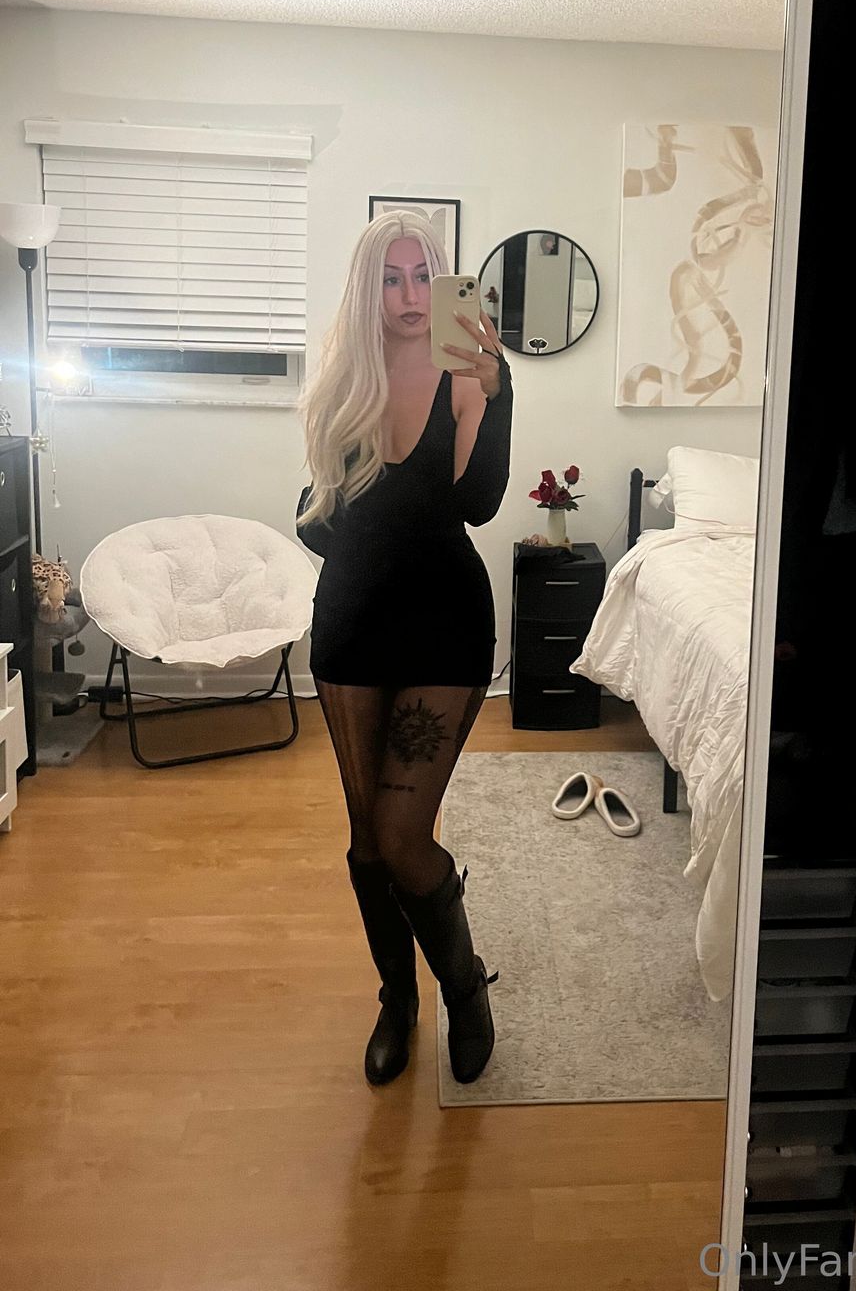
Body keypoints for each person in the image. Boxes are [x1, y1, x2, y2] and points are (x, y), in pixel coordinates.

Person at [294, 210, 514, 1088]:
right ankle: (398, 999)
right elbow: (320, 511)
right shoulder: (343, 378)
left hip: (444, 623)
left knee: (401, 833)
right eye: (392, 279)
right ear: (368, 288)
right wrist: (347, 532)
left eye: (424, 275)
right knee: (364, 842)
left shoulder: (470, 373)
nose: (412, 295)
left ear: (445, 279)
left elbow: (479, 504)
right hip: (354, 623)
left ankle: (464, 988)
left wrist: (494, 395)